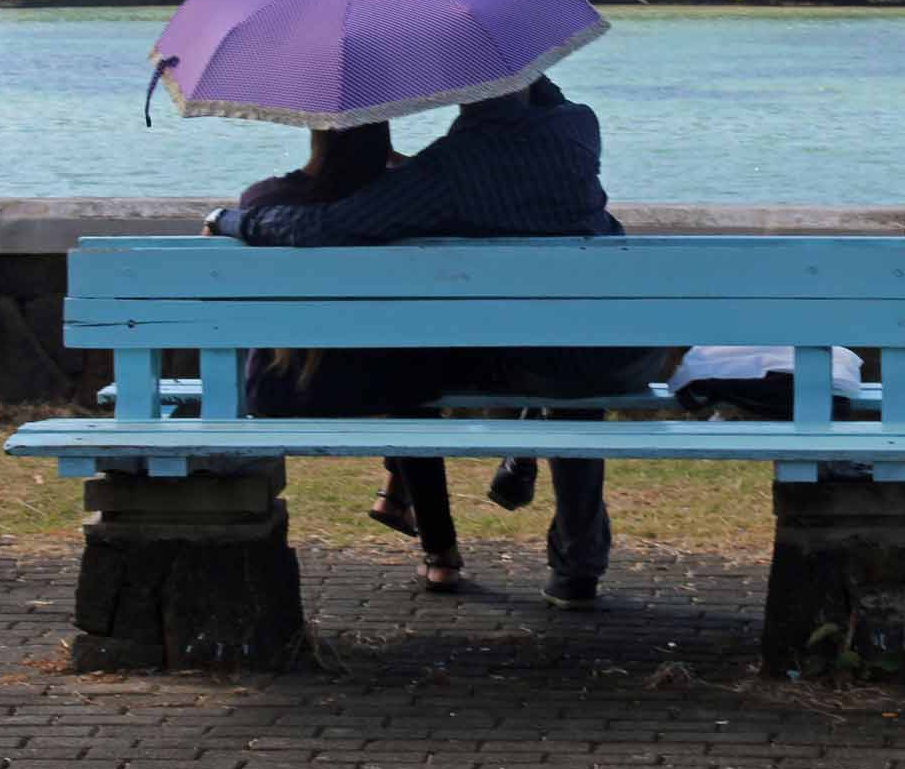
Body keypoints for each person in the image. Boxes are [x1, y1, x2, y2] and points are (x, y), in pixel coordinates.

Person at [206, 75, 663, 610]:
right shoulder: (578, 127)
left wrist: (233, 219)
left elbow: (325, 228)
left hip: (524, 360)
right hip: (620, 350)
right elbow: (545, 105)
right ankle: (576, 563)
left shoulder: (454, 165)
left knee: (506, 350)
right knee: (572, 368)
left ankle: (507, 465)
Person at [218, 123, 470, 594]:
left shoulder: (263, 199)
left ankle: (399, 498)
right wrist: (405, 168)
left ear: (317, 134)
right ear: (382, 136)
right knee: (413, 393)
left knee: (405, 381)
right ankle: (440, 553)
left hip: (280, 390)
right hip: (386, 386)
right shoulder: (397, 206)